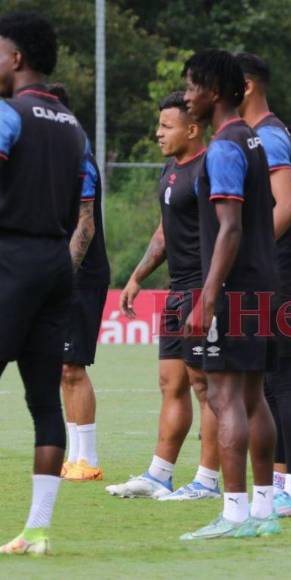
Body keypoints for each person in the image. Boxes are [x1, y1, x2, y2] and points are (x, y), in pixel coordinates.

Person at [181, 49, 279, 539]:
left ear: (214, 92)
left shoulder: (222, 147)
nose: (186, 96)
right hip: (264, 282)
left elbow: (230, 229)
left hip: (234, 288)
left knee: (224, 396)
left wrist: (207, 296)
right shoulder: (253, 140)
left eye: (192, 86)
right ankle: (263, 510)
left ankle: (235, 513)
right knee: (253, 395)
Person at [0, 12, 89, 555]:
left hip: (11, 259)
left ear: (15, 58)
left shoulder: (9, 114)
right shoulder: (73, 126)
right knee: (43, 400)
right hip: (55, 263)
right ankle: (37, 530)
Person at [106, 92, 220, 500]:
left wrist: (213, 294)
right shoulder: (171, 170)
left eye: (166, 126)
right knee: (170, 383)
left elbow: (230, 229)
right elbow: (164, 231)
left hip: (204, 292)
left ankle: (207, 481)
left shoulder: (210, 168)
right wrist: (137, 277)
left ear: (192, 129)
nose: (158, 133)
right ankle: (159, 474)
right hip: (176, 291)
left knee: (205, 386)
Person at [235, 52, 291, 518]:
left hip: (280, 270)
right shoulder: (254, 135)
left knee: (282, 379)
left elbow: (287, 207)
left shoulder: (267, 135)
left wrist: (246, 254)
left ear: (244, 86)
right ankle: (284, 485)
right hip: (268, 270)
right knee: (267, 382)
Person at [45, 83, 110, 483]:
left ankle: (87, 458)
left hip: (80, 274)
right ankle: (74, 456)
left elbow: (85, 224)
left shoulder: (78, 156)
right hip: (57, 274)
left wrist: (62, 278)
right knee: (60, 366)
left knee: (73, 365)